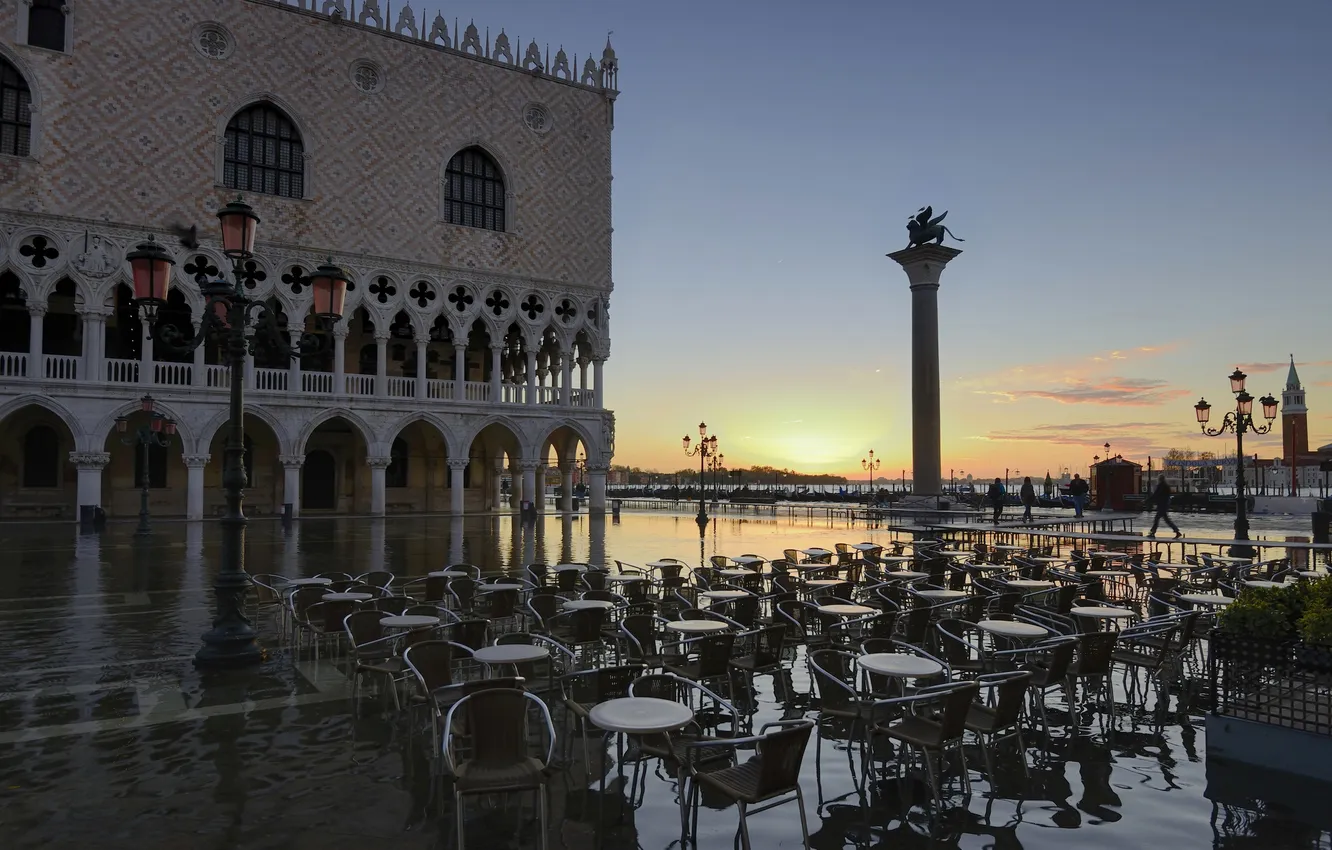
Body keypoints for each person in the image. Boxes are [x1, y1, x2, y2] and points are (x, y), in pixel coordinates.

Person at [1147, 474, 1182, 538]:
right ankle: (1177, 531)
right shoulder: (1166, 486)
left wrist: (1147, 501)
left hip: (1162, 505)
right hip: (1165, 505)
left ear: (1159, 479)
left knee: (1157, 519)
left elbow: (1155, 495)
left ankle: (1153, 532)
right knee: (1166, 519)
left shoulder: (1161, 486)